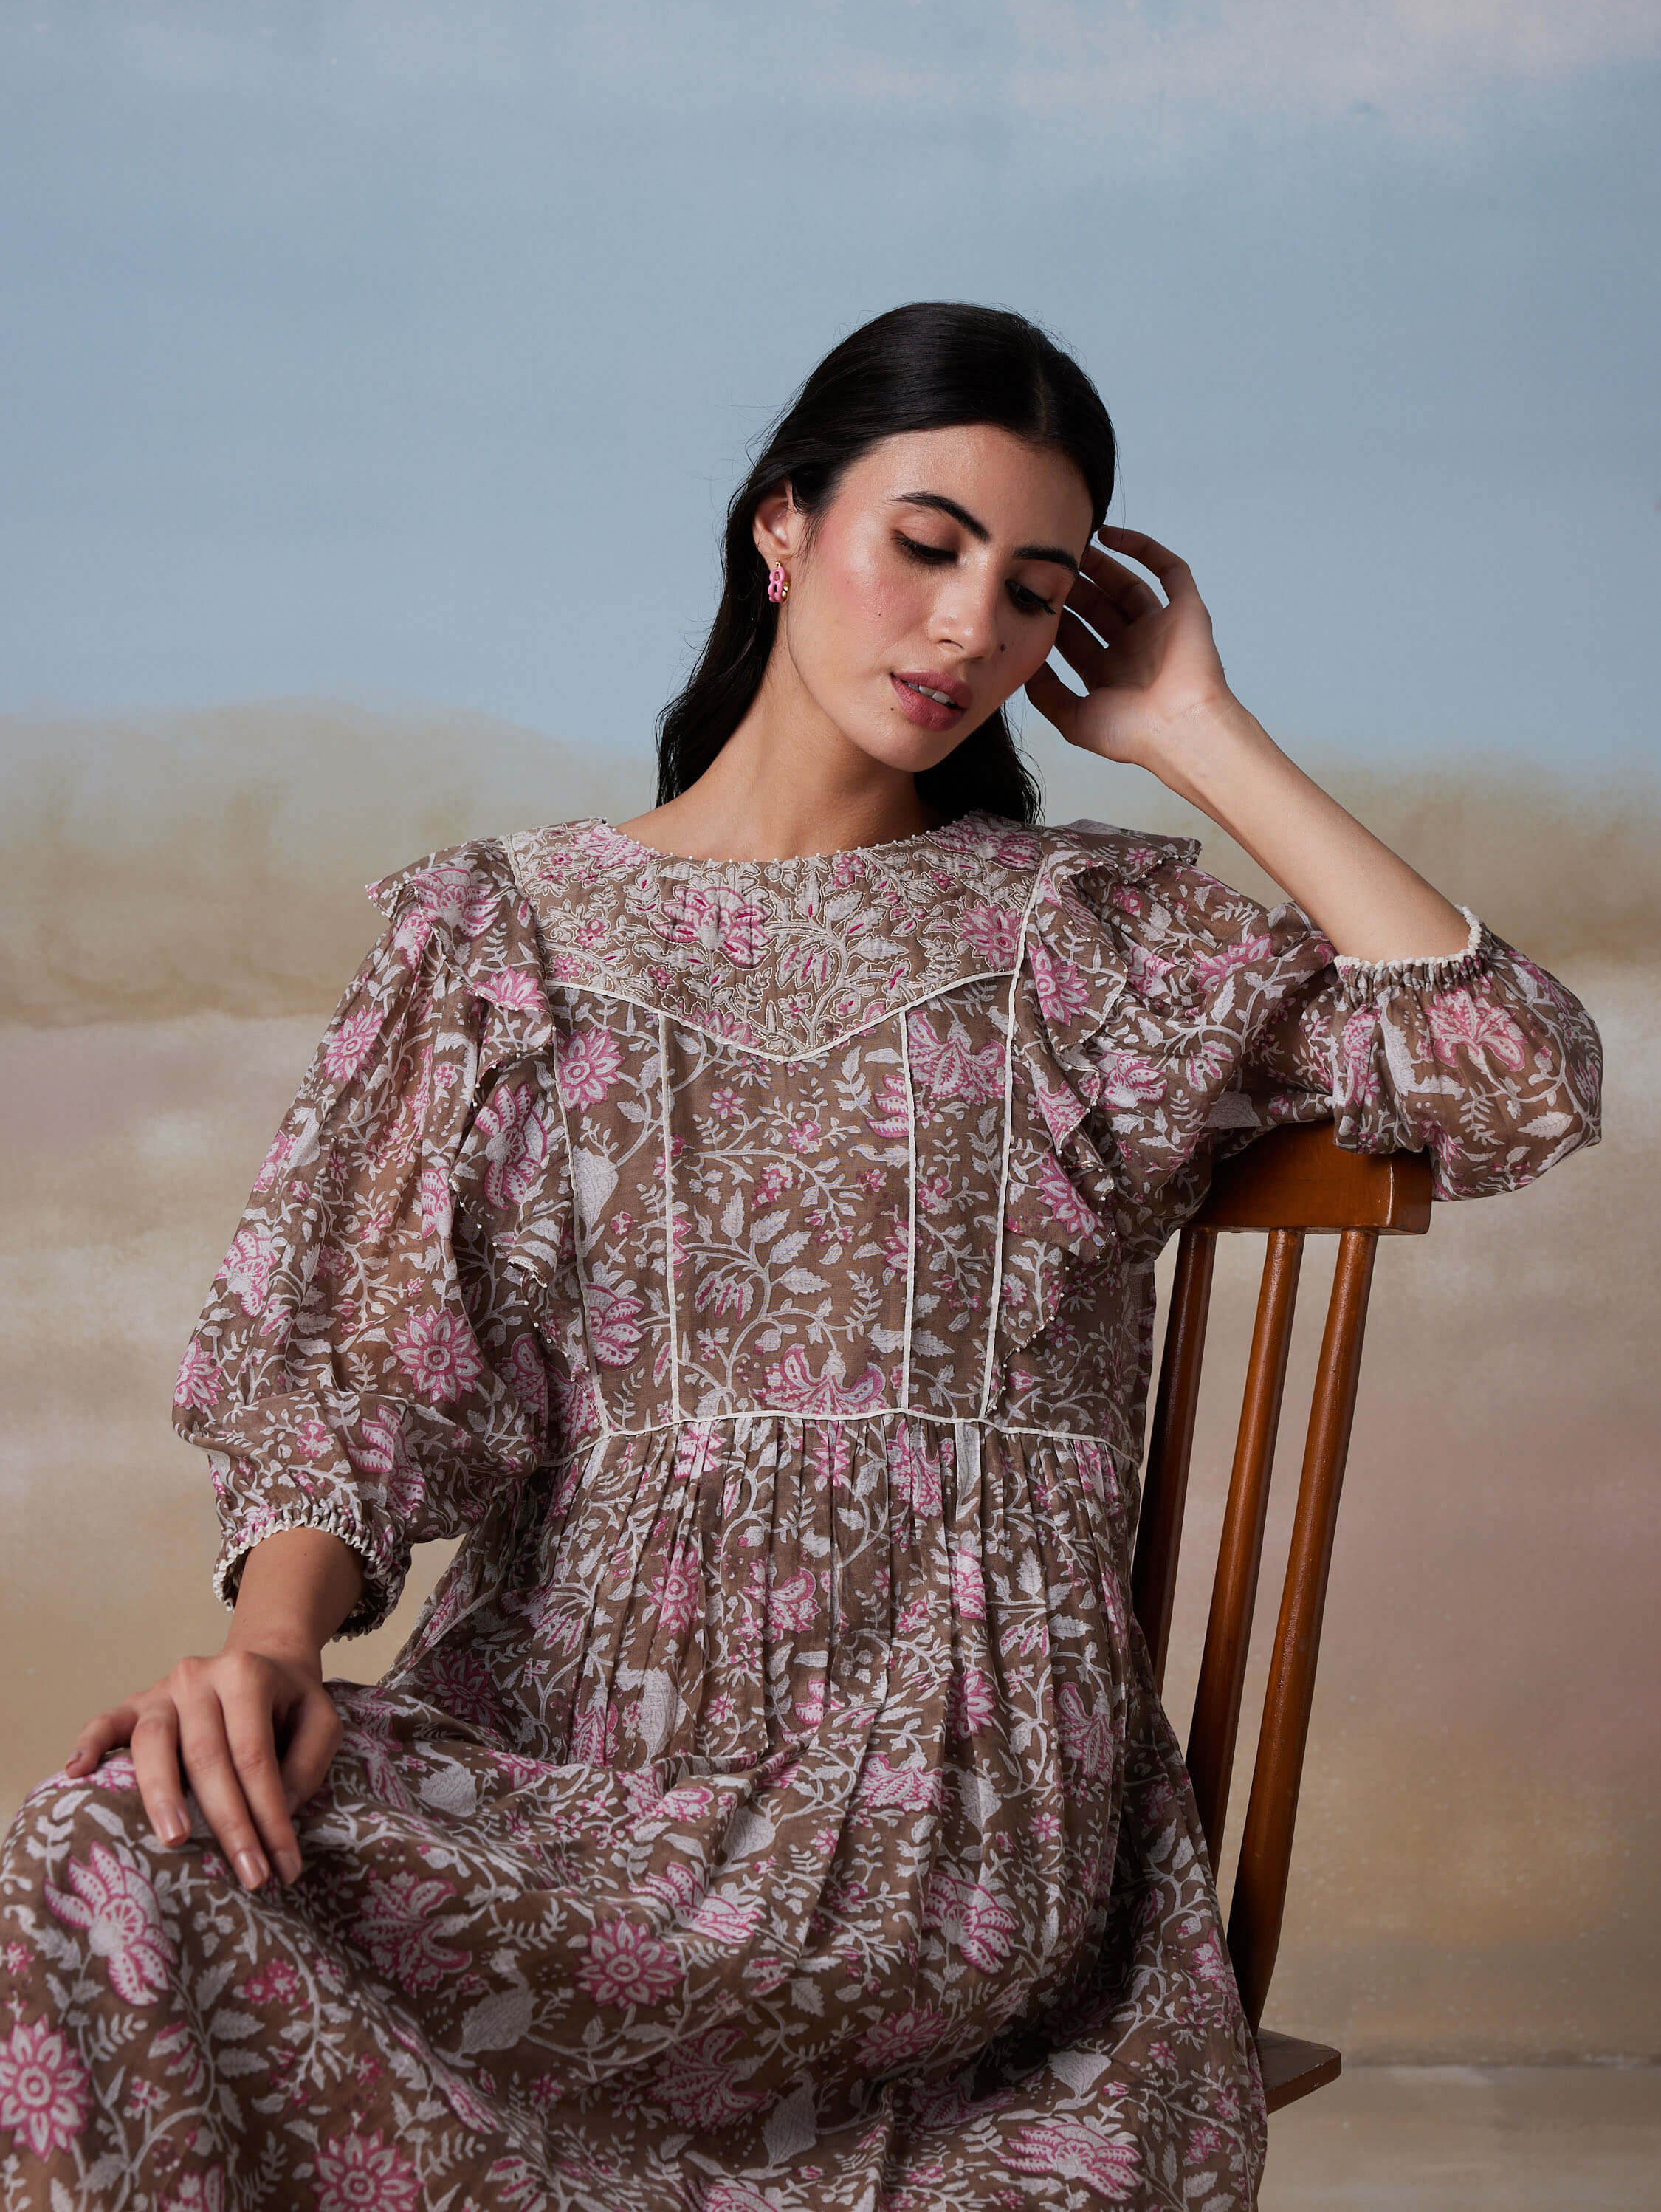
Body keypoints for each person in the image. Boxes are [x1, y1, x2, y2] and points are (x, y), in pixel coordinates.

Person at [0, 301, 1602, 2209]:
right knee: (111, 1845)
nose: (967, 630)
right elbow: (355, 1370)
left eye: (1033, 592)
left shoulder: (1079, 944)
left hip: (930, 1827)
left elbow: (1512, 1078)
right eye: (924, 546)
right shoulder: (506, 937)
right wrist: (267, 1651)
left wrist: (1194, 731)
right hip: (562, 1778)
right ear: (782, 524)